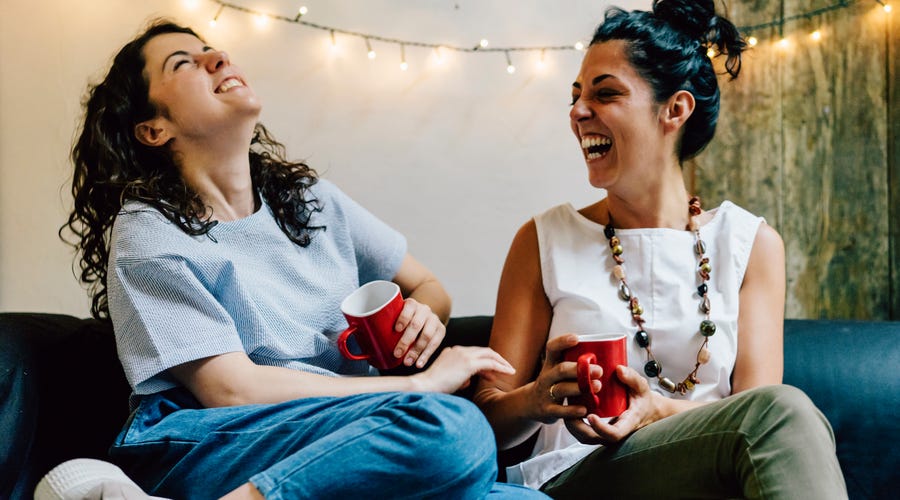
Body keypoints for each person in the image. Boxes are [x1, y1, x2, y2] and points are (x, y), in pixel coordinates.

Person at [61, 19, 548, 500]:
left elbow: (428, 286)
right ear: (153, 129)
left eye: (211, 48)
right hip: (203, 443)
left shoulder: (310, 200)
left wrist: (423, 317)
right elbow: (232, 391)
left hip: (341, 432)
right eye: (184, 62)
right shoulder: (149, 230)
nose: (218, 58)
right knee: (456, 430)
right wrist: (422, 385)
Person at [473, 1, 848, 498]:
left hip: (714, 475)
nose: (578, 112)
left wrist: (658, 411)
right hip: (583, 476)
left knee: (780, 412)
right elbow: (483, 424)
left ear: (675, 109)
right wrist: (536, 399)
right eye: (576, 96)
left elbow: (756, 415)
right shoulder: (543, 239)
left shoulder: (750, 243)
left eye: (605, 94)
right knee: (784, 412)